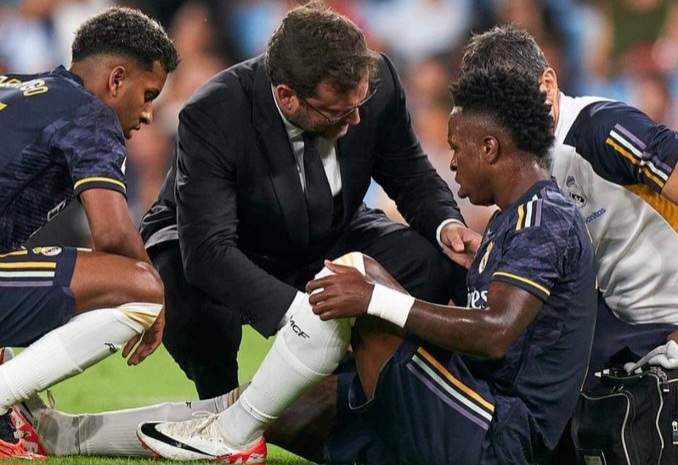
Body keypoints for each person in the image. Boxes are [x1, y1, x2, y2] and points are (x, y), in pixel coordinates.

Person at [135, 68, 597, 465]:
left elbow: (496, 332)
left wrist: (375, 300)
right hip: (469, 405)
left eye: (457, 148)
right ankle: (95, 431)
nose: (452, 162)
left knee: (362, 272)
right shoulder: (508, 221)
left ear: (490, 148)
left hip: (499, 434)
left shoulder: (544, 219)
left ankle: (234, 431)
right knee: (263, 407)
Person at [139, 0, 475, 401]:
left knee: (429, 262)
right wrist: (300, 317)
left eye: (359, 103)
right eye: (339, 112)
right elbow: (208, 250)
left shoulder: (377, 81)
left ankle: (345, 394)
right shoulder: (215, 112)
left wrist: (446, 224)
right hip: (229, 240)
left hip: (328, 227)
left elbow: (410, 174)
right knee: (185, 288)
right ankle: (222, 406)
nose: (356, 119)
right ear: (287, 96)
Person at [0, 7, 178, 459]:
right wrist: (157, 295)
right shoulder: (90, 113)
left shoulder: (18, 87)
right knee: (139, 286)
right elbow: (113, 235)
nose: (148, 114)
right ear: (116, 80)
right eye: (148, 95)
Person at [458, 24, 678, 380]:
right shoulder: (522, 169)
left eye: (516, 104)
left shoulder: (604, 130)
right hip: (624, 328)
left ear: (548, 84)